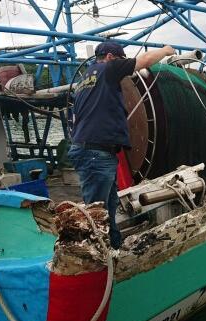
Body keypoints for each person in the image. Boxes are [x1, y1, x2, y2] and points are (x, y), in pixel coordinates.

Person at [68, 41, 175, 249]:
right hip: (95, 154)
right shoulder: (109, 68)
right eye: (121, 59)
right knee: (96, 213)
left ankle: (114, 250)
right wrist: (166, 51)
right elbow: (144, 61)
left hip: (92, 151)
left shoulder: (85, 79)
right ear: (110, 57)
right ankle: (97, 259)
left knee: (108, 206)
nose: (123, 65)